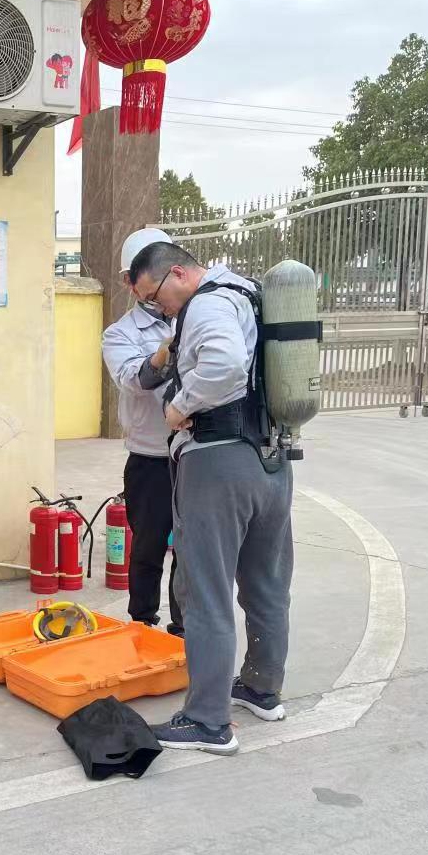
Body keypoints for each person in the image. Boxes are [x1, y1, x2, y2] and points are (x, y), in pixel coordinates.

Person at [126, 242, 293, 756]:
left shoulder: (207, 303)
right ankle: (261, 688)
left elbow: (223, 364)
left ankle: (207, 721)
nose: (158, 307)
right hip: (272, 460)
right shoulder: (250, 294)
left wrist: (180, 406)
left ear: (178, 273)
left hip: (219, 462)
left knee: (204, 592)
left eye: (155, 295)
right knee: (266, 584)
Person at [101, 227, 182, 636]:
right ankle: (142, 623)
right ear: (128, 281)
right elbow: (136, 379)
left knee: (191, 550)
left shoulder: (196, 315)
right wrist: (166, 351)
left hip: (194, 454)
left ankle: (184, 627)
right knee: (148, 547)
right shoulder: (120, 334)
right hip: (150, 458)